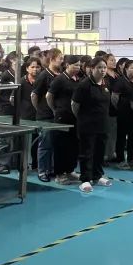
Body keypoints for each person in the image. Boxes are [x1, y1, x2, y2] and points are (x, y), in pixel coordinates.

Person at [72, 57, 113, 193]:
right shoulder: (84, 85)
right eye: (99, 67)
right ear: (92, 68)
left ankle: (97, 175)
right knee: (87, 152)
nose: (103, 70)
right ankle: (85, 179)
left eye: (104, 67)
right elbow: (74, 105)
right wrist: (83, 118)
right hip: (87, 125)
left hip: (103, 124)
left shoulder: (105, 83)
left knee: (99, 151)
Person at [46, 55, 82, 185]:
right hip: (62, 117)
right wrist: (55, 110)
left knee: (73, 145)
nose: (78, 67)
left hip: (75, 117)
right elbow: (49, 96)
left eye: (79, 65)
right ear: (67, 65)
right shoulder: (60, 79)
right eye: (75, 65)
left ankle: (70, 170)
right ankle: (60, 174)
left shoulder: (77, 79)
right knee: (61, 146)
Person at [32, 48, 63, 182]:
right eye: (60, 58)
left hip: (58, 115)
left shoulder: (61, 74)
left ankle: (52, 169)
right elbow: (34, 95)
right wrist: (40, 109)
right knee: (45, 144)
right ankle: (42, 171)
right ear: (52, 59)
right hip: (46, 116)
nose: (62, 61)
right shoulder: (44, 76)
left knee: (55, 144)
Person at [112, 58, 133, 168]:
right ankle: (120, 160)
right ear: (126, 69)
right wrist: (119, 108)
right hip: (123, 114)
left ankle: (131, 158)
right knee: (121, 137)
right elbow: (114, 98)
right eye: (132, 68)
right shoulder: (121, 81)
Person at [102, 53, 119, 163]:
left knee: (113, 133)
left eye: (114, 60)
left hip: (117, 109)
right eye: (111, 60)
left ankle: (111, 153)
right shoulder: (104, 77)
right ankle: (104, 156)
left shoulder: (117, 75)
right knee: (106, 133)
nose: (114, 62)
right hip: (107, 108)